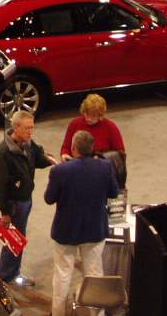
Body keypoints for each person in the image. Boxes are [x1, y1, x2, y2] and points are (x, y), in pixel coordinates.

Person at [44, 130, 120, 316]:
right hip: (94, 229)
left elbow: (49, 198)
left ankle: (58, 313)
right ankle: (98, 314)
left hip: (66, 231)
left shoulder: (59, 170)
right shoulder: (105, 167)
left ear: (74, 148)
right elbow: (114, 193)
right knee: (94, 274)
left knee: (62, 275)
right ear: (92, 149)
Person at [0, 111, 57, 287]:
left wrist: (49, 160)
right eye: (27, 128)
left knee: (18, 238)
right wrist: (5, 212)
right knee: (13, 241)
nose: (31, 132)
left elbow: (37, 157)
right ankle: (7, 277)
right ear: (15, 128)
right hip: (14, 205)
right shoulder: (3, 153)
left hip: (25, 200)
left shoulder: (27, 143)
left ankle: (12, 272)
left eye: (32, 127)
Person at [60, 94, 125, 161]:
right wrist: (64, 154)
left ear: (100, 115)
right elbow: (66, 147)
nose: (88, 119)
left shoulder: (110, 127)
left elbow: (120, 153)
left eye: (93, 116)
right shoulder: (74, 124)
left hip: (101, 166)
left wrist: (102, 156)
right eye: (86, 114)